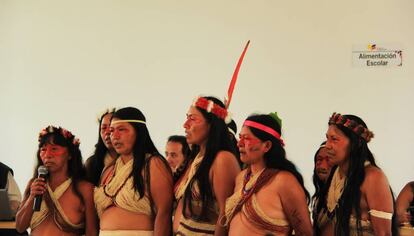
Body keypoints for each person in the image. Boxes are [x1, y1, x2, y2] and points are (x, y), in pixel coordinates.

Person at [223, 113, 313, 235]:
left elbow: (305, 232)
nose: (239, 143)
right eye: (240, 137)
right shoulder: (241, 177)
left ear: (267, 146)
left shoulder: (284, 181)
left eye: (247, 138)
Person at [314, 113, 398, 235]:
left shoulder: (373, 177)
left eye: (334, 139)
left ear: (356, 143)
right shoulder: (335, 173)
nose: (327, 145)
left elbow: (384, 233)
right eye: (327, 138)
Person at [94, 107, 173, 236]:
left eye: (121, 130)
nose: (115, 136)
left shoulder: (153, 164)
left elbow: (164, 212)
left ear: (138, 131)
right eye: (112, 131)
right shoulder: (108, 170)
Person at [173, 96, 241, 236]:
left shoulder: (222, 159)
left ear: (211, 124)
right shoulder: (199, 158)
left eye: (193, 119)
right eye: (187, 117)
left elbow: (225, 213)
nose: (185, 124)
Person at [16, 125, 98, 236]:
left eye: (54, 149)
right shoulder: (34, 184)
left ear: (69, 154)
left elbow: (92, 232)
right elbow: (20, 227)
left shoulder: (84, 188)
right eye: (43, 149)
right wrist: (32, 197)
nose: (47, 155)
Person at [85, 109, 118, 186]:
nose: (107, 132)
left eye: (111, 127)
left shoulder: (132, 161)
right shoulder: (92, 163)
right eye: (103, 128)